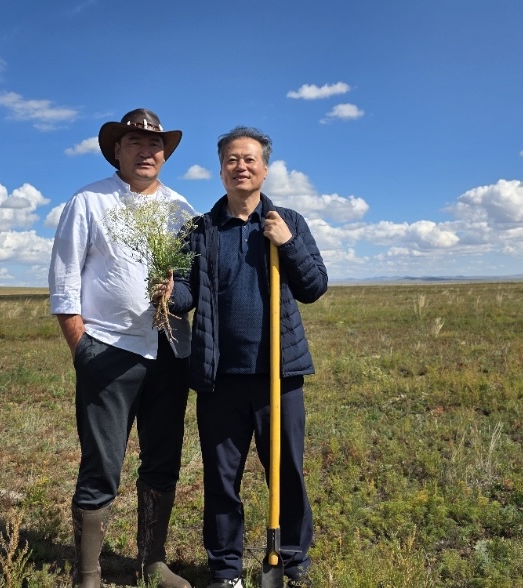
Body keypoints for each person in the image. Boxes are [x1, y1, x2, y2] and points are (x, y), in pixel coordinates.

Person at [162, 126, 327, 588]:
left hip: (279, 374)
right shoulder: (200, 230)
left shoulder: (287, 220)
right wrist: (170, 294)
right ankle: (225, 569)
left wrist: (287, 243)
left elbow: (315, 286)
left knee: (286, 472)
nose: (241, 167)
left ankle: (290, 561)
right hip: (219, 376)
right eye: (232, 160)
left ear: (265, 168)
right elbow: (187, 293)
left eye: (250, 159)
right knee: (221, 478)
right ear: (220, 170)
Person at [48, 108, 194, 588]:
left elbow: (191, 281)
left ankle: (152, 564)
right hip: (107, 350)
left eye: (155, 145)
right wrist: (82, 348)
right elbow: (64, 281)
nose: (146, 151)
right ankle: (87, 574)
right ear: (117, 150)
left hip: (169, 352)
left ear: (165, 154)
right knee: (101, 464)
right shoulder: (88, 201)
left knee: (162, 461)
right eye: (135, 142)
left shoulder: (182, 211)